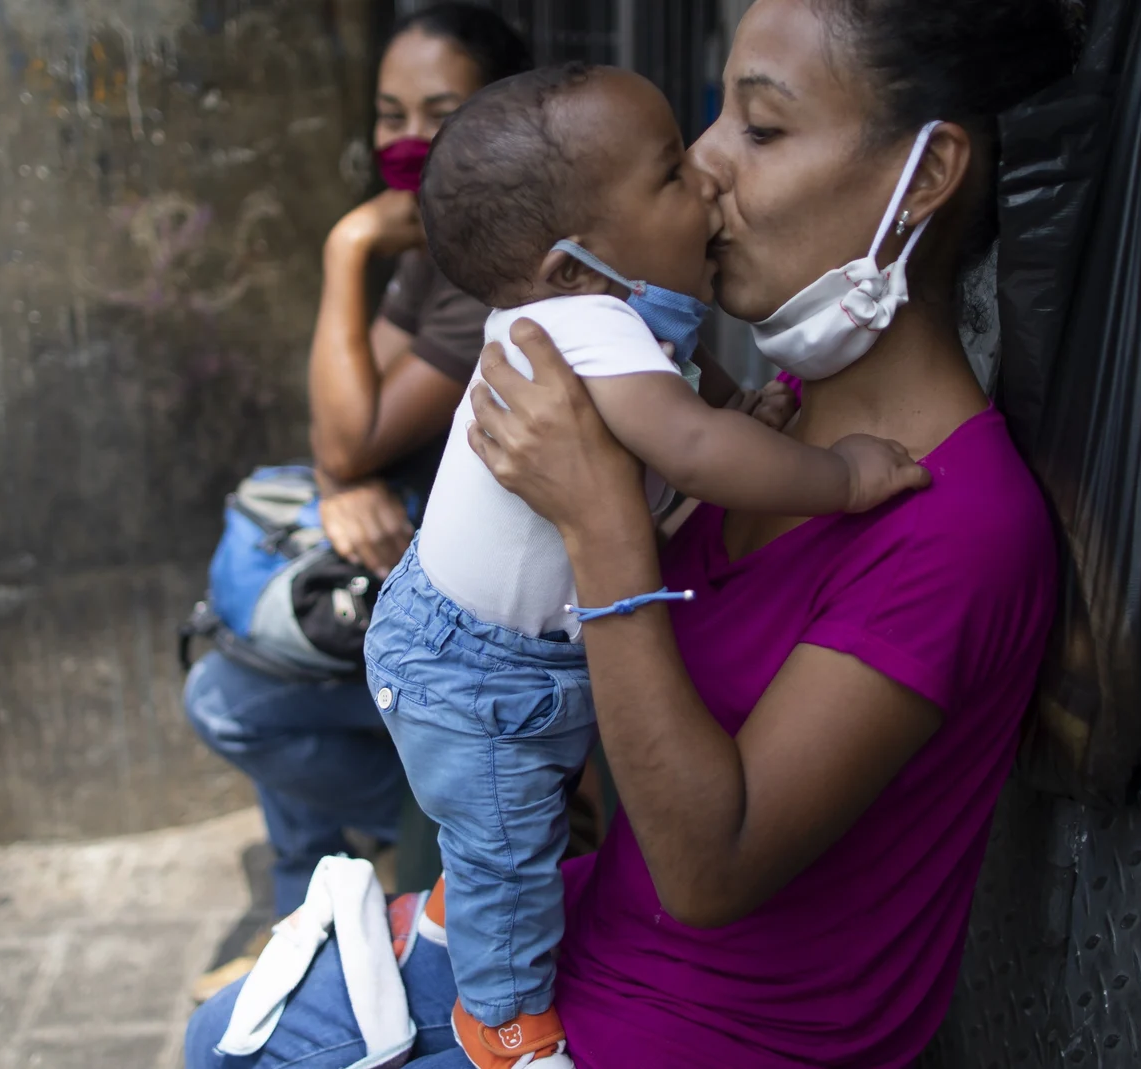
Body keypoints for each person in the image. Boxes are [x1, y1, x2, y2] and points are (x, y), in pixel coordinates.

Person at [186, 0, 1079, 1064]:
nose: (704, 168)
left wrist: (602, 522)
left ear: (925, 177)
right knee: (228, 1031)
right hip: (599, 935)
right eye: (711, 121)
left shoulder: (962, 525)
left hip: (703, 1031)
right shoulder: (771, 409)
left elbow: (709, 868)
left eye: (760, 127)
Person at [364, 62, 930, 1068]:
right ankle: (502, 1027)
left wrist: (741, 415)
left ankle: (467, 893)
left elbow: (697, 412)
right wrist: (838, 475)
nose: (707, 180)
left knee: (512, 820)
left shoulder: (623, 316)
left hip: (492, 645)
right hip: (474, 671)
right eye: (670, 175)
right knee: (507, 835)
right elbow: (694, 449)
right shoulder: (585, 325)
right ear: (575, 264)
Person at [183, 3, 531, 1002]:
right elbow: (347, 418)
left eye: (439, 110)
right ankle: (305, 908)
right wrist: (342, 480)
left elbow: (348, 428)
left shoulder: (487, 263)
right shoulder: (431, 243)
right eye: (389, 113)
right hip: (403, 569)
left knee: (226, 697)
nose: (407, 139)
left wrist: (345, 248)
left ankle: (428, 845)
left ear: (498, 118)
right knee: (255, 633)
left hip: (468, 626)